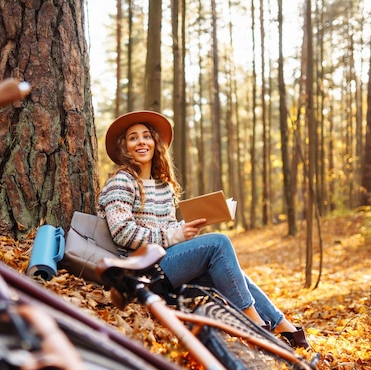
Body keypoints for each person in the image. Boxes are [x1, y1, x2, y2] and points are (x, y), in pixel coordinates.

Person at [97, 110, 309, 348]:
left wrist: (185, 229)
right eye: (133, 138)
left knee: (231, 272)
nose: (141, 142)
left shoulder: (163, 187)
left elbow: (167, 232)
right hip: (139, 273)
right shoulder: (121, 181)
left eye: (146, 136)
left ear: (155, 143)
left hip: (166, 266)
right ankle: (257, 327)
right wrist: (175, 234)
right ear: (124, 147)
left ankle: (287, 330)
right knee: (219, 243)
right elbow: (122, 232)